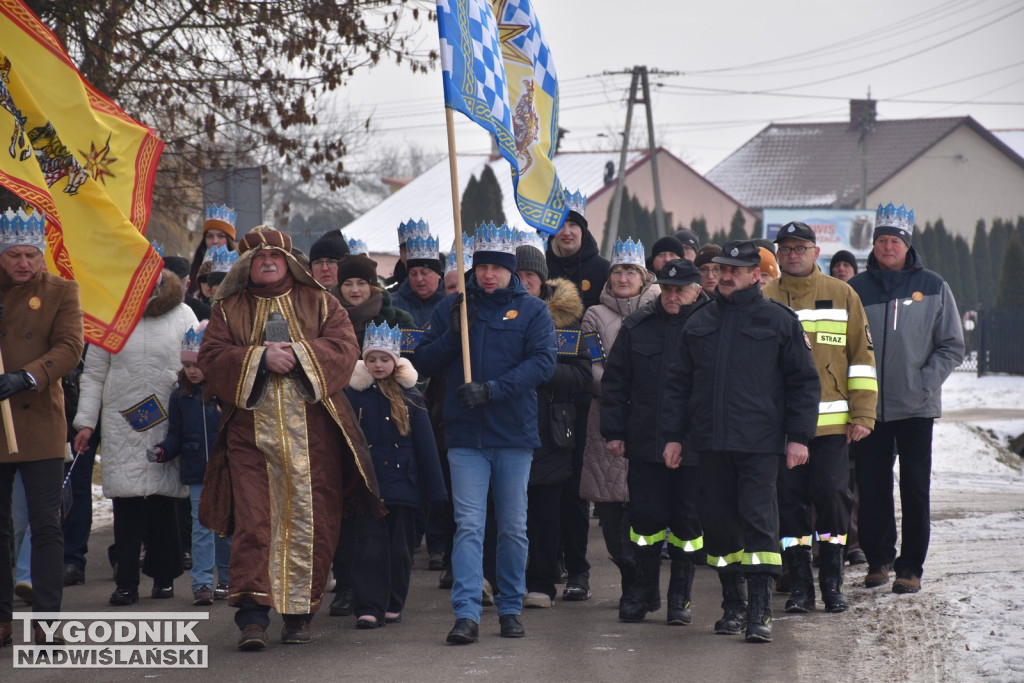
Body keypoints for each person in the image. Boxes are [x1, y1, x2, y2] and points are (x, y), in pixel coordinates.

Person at [197, 226, 384, 650]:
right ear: (246, 265)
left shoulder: (320, 301)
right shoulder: (228, 308)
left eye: (275, 256)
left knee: (311, 521)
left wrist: (298, 355)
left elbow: (345, 347)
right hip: (250, 437)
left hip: (314, 436)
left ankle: (299, 615)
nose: (267, 262)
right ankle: (252, 616)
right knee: (254, 522)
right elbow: (211, 356)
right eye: (258, 257)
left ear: (288, 262)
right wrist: (259, 358)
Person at [661, 239, 820, 643]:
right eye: (721, 269)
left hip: (759, 444)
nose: (725, 276)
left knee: (759, 522)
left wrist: (799, 437)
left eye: (734, 270)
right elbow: (678, 384)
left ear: (755, 275)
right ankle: (733, 605)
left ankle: (760, 611)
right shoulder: (699, 321)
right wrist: (674, 437)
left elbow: (803, 383)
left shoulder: (779, 320)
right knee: (719, 527)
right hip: (710, 444)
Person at [414, 223, 556, 644]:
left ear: (511, 270)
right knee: (469, 526)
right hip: (465, 437)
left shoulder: (533, 310)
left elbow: (543, 363)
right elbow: (421, 360)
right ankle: (466, 612)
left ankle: (510, 608)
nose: (488, 275)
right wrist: (454, 335)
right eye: (482, 267)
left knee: (512, 526)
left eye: (497, 268)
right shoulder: (453, 308)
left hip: (513, 435)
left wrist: (493, 390)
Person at [848, 203, 965, 594]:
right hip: (869, 410)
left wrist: (923, 384)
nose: (888, 247)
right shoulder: (856, 289)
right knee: (872, 486)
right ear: (874, 244)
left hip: (916, 408)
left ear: (906, 245)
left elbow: (951, 345)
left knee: (914, 488)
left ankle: (910, 567)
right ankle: (878, 559)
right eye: (882, 240)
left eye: (894, 241)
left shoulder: (934, 286)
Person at [763, 221, 877, 614]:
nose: (792, 255)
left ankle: (832, 584)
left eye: (800, 248)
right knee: (790, 504)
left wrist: (863, 414)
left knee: (832, 498)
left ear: (816, 252)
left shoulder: (842, 294)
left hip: (832, 426)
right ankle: (799, 588)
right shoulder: (765, 297)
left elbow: (861, 359)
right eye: (785, 249)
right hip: (782, 427)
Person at [74, 268, 196, 605]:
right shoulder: (110, 316)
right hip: (122, 420)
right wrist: (86, 422)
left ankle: (164, 575)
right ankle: (126, 582)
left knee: (163, 502)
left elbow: (197, 364)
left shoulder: (183, 314)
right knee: (126, 503)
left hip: (167, 419)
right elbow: (94, 374)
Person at [601, 259, 707, 624]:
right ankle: (643, 592)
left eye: (681, 290)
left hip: (695, 447)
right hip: (647, 440)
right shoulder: (638, 325)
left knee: (687, 524)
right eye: (667, 289)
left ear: (697, 290)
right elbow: (616, 383)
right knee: (645, 522)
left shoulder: (710, 325)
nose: (672, 296)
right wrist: (614, 431)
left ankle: (681, 597)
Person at [0, 207, 84, 647]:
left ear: (41, 255)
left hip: (40, 420)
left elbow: (70, 347)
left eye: (30, 255)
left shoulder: (61, 291)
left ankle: (47, 621)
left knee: (46, 524)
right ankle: (2, 620)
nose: (23, 263)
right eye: (14, 254)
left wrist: (26, 377)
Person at [325, 252, 414, 618]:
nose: (355, 289)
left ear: (373, 285)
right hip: (343, 414)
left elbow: (414, 371)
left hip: (391, 434)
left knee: (387, 532)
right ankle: (349, 587)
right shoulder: (328, 319)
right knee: (350, 519)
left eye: (361, 282)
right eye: (348, 283)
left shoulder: (395, 319)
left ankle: (386, 594)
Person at [345, 322, 447, 627]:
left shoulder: (411, 397)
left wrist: (435, 491)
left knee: (399, 549)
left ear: (396, 360)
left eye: (384, 359)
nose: (378, 365)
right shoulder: (353, 396)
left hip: (403, 485)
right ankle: (369, 605)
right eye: (372, 359)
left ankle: (393, 601)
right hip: (368, 485)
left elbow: (425, 446)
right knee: (369, 547)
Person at [580, 237, 660, 609]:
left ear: (644, 276)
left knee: (647, 509)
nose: (623, 278)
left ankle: (647, 584)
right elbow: (593, 367)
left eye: (631, 271)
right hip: (607, 420)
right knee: (611, 513)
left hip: (650, 422)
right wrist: (624, 390)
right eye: (617, 271)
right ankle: (630, 579)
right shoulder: (594, 315)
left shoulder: (660, 309)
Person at [514, 236, 591, 609]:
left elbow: (582, 376)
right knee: (508, 510)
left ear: (542, 279)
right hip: (508, 422)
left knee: (552, 508)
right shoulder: (499, 316)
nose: (524, 281)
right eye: (517, 274)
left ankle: (548, 579)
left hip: (555, 426)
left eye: (530, 275)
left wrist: (539, 369)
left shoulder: (569, 320)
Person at [149, 321, 232, 606]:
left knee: (225, 528)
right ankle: (202, 583)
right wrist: (163, 450)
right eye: (187, 366)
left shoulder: (225, 394)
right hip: (196, 472)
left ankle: (227, 578)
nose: (193, 371)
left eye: (198, 364)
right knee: (201, 527)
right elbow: (175, 434)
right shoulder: (180, 397)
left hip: (226, 470)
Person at [391, 229, 445, 331]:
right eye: (413, 274)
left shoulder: (451, 303)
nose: (419, 279)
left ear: (438, 274)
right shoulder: (392, 304)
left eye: (425, 273)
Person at [187, 204, 237, 300]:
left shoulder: (240, 269)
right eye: (210, 236)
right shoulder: (192, 271)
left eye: (221, 236)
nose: (215, 241)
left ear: (229, 240)